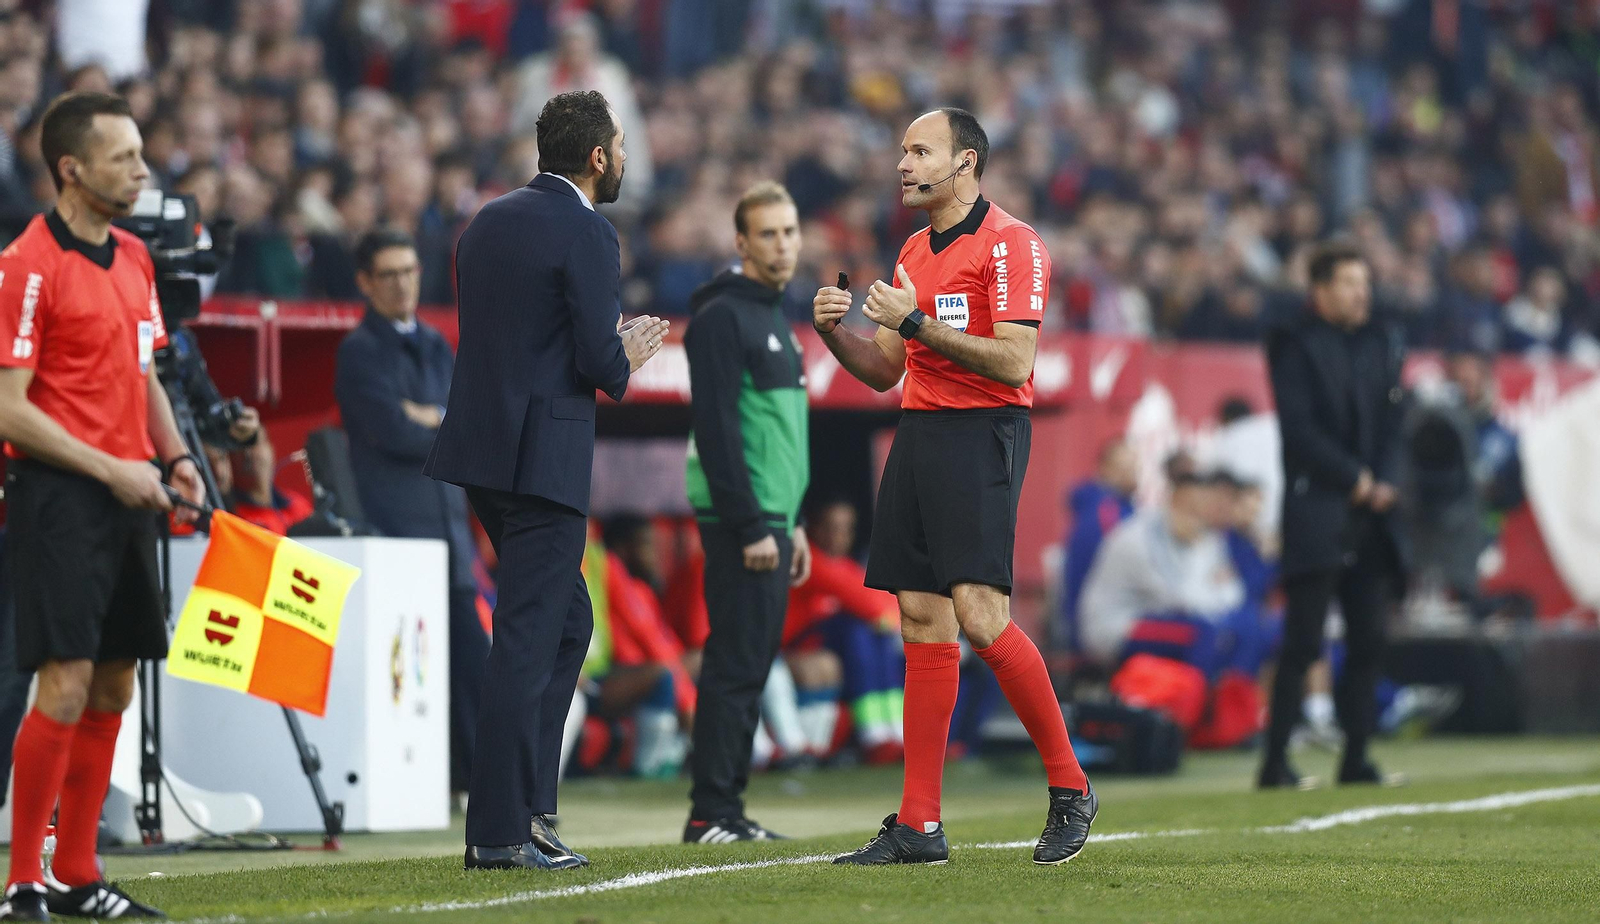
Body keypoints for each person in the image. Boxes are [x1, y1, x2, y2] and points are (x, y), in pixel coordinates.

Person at [813, 108, 1095, 867]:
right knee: (920, 617)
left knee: (979, 614)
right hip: (919, 431)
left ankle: (1071, 786)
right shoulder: (911, 247)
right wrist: (836, 332)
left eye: (919, 150)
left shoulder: (1013, 243)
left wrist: (917, 326)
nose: (903, 163)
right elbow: (882, 371)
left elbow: (1013, 363)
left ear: (965, 162)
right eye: (902, 150)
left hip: (983, 431)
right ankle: (920, 825)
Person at [423, 89, 667, 872]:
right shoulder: (589, 231)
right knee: (527, 642)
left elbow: (505, 338)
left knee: (564, 627)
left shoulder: (486, 222)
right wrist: (627, 351)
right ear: (597, 157)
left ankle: (534, 808)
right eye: (621, 146)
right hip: (545, 463)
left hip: (484, 456)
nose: (625, 157)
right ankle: (499, 831)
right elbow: (596, 360)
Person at [0, 91, 205, 922]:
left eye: (141, 153)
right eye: (124, 157)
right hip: (58, 495)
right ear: (71, 170)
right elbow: (8, 406)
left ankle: (81, 875)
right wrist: (109, 469)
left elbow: (144, 371)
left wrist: (177, 456)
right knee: (64, 680)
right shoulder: (23, 265)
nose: (143, 169)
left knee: (116, 685)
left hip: (129, 491)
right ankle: (23, 885)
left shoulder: (135, 259)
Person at [335, 227, 489, 798]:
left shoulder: (435, 343)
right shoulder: (358, 352)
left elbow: (465, 424)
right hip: (396, 539)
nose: (402, 283)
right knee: (412, 669)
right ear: (365, 283)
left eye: (409, 271)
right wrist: (435, 422)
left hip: (448, 538)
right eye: (389, 274)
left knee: (471, 665)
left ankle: (475, 783)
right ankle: (429, 783)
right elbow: (390, 431)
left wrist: (429, 418)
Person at [681, 181, 812, 844]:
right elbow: (719, 429)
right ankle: (709, 814)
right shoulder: (722, 318)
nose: (783, 245)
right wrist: (753, 523)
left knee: (751, 667)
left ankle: (727, 811)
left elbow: (776, 436)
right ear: (741, 242)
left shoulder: (774, 318)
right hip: (743, 521)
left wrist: (793, 523)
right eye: (768, 234)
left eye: (790, 232)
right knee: (735, 665)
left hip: (771, 520)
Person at [1259, 240, 1407, 790]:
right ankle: (1274, 762)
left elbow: (1396, 419)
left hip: (1372, 517)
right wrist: (1357, 479)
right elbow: (1298, 431)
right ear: (1319, 290)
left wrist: (1385, 479)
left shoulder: (1384, 340)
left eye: (1364, 283)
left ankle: (1357, 758)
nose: (1360, 292)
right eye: (1348, 283)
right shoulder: (1293, 343)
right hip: (1318, 509)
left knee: (1370, 639)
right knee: (1302, 641)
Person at [1059, 438, 1138, 652]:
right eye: (1124, 467)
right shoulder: (1106, 513)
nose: (1133, 474)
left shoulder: (1120, 507)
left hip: (1100, 618)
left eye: (1134, 466)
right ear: (1104, 469)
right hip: (1098, 623)